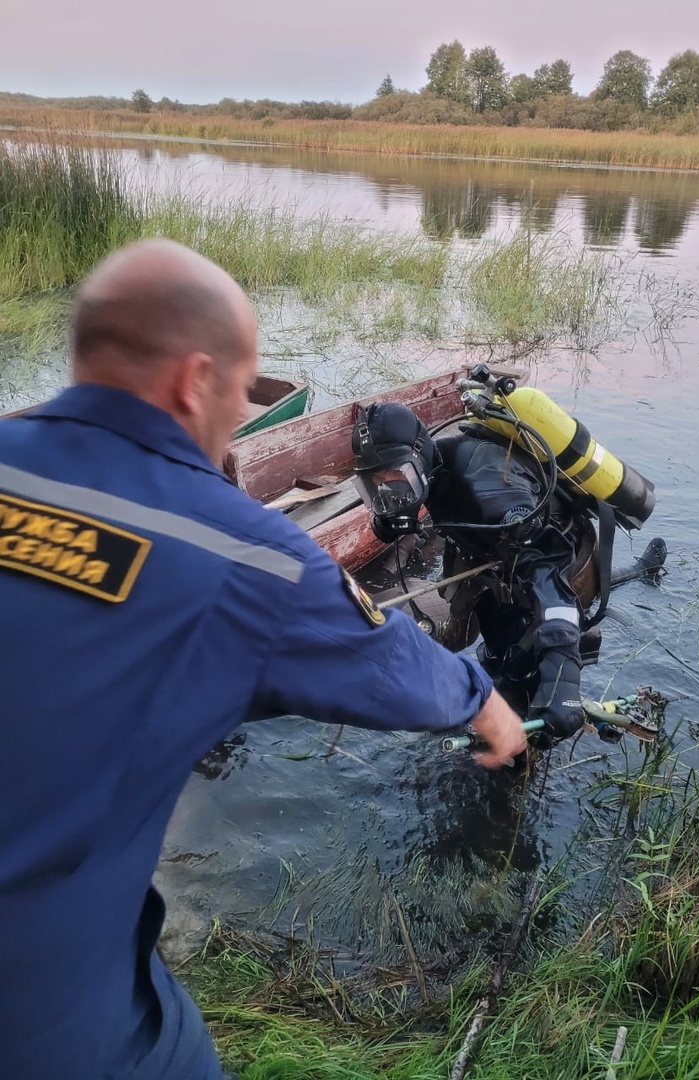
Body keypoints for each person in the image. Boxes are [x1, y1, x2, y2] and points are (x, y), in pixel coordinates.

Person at [0, 240, 527, 1080]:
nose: (242, 415)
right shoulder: (247, 557)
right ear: (192, 381)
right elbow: (384, 663)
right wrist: (484, 701)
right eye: (244, 394)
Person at [352, 398, 662, 742]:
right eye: (376, 483)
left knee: (530, 676)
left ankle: (634, 576)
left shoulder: (490, 486)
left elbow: (549, 578)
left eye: (395, 476)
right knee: (500, 659)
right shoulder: (430, 472)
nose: (390, 491)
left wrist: (564, 678)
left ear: (420, 453)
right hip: (501, 564)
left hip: (561, 566)